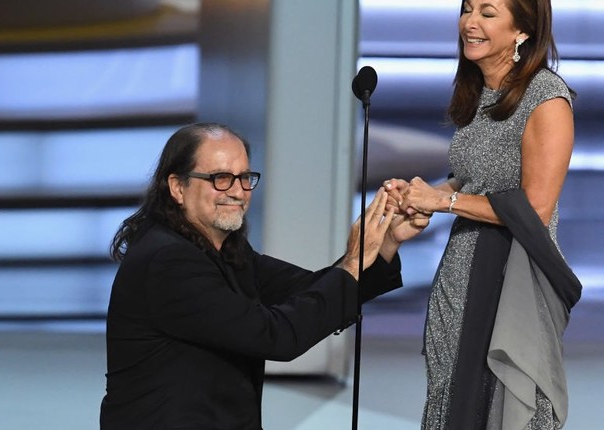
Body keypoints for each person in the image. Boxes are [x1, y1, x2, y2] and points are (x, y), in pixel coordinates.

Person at [99, 122, 428, 429]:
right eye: (220, 178)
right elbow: (277, 336)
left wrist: (383, 244)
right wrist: (356, 258)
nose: (238, 191)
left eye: (245, 177)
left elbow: (312, 289)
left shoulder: (223, 250)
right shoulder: (169, 263)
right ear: (177, 187)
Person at [383, 0, 582, 429]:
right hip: (459, 275)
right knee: (449, 392)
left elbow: (535, 207)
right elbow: (470, 180)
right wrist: (421, 197)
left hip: (510, 280)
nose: (470, 23)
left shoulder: (547, 99)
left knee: (505, 403)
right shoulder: (480, 92)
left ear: (522, 31)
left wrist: (445, 203)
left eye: (488, 13)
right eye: (468, 9)